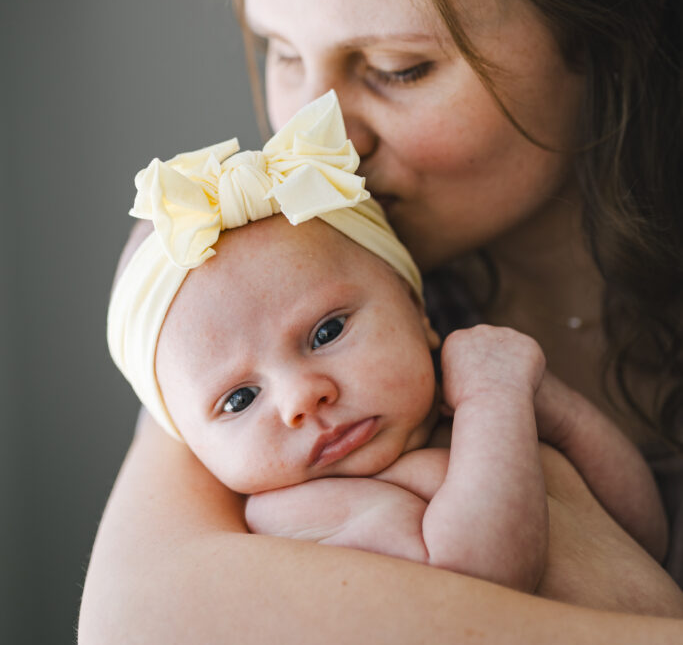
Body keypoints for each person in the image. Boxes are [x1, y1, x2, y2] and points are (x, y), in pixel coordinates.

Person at [79, 0, 683, 645]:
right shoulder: (261, 291)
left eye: (398, 68)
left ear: (613, 18)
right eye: (281, 50)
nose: (319, 144)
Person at [107, 91, 667, 590]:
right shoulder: (304, 511)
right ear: (191, 447)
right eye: (238, 399)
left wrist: (557, 412)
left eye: (326, 332)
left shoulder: (470, 410)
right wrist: (495, 399)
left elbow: (643, 530)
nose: (303, 398)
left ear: (417, 308)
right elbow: (482, 574)